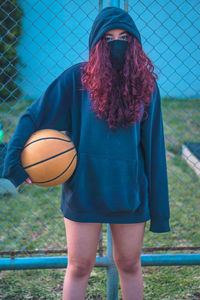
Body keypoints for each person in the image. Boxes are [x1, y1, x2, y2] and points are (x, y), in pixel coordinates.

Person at [2, 6, 170, 300]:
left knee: (130, 265)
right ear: (96, 43)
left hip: (128, 191)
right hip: (84, 189)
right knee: (79, 267)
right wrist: (15, 168)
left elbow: (154, 148)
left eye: (124, 37)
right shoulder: (77, 79)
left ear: (135, 43)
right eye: (107, 38)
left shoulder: (146, 85)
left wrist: (159, 210)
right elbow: (33, 117)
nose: (116, 44)